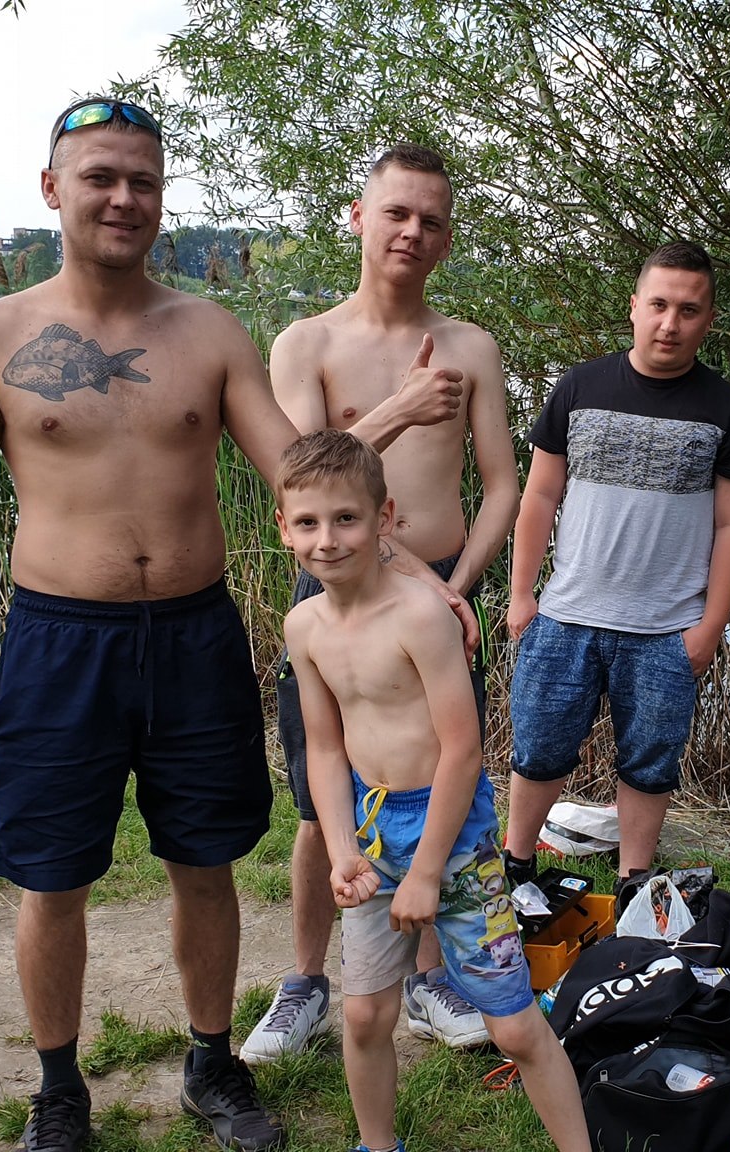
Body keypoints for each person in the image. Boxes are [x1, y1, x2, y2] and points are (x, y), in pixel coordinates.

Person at [0, 97, 294, 1152]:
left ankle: (211, 1064)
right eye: (101, 178)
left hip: (196, 639)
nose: (125, 198)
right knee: (52, 878)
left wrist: (391, 524)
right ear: (52, 190)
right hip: (57, 644)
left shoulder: (210, 332)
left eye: (143, 182)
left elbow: (293, 470)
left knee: (205, 863)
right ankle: (58, 1091)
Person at [246, 143, 518, 1062]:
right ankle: (306, 983)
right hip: (337, 590)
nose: (412, 231)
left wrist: (454, 585)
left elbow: (503, 483)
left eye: (431, 220)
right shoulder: (307, 343)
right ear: (359, 217)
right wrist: (400, 408)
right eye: (395, 212)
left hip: (443, 594)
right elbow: (301, 479)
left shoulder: (473, 346)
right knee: (323, 796)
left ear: (447, 239)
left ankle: (431, 978)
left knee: (438, 774)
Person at [277, 429, 589, 1152]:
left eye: (347, 518)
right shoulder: (303, 626)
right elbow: (325, 747)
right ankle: (377, 1146)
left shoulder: (421, 615)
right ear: (285, 529)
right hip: (372, 826)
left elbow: (462, 751)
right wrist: (342, 851)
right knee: (364, 1017)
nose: (328, 540)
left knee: (514, 1026)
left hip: (454, 839)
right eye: (308, 523)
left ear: (384, 518)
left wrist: (424, 874)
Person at [503, 241, 730, 892]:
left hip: (665, 630)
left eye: (688, 310)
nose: (670, 323)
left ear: (708, 320)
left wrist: (711, 626)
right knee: (539, 749)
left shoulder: (725, 408)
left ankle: (633, 884)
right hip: (566, 615)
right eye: (659, 305)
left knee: (650, 764)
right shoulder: (579, 387)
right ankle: (515, 867)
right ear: (635, 307)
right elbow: (540, 495)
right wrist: (521, 594)